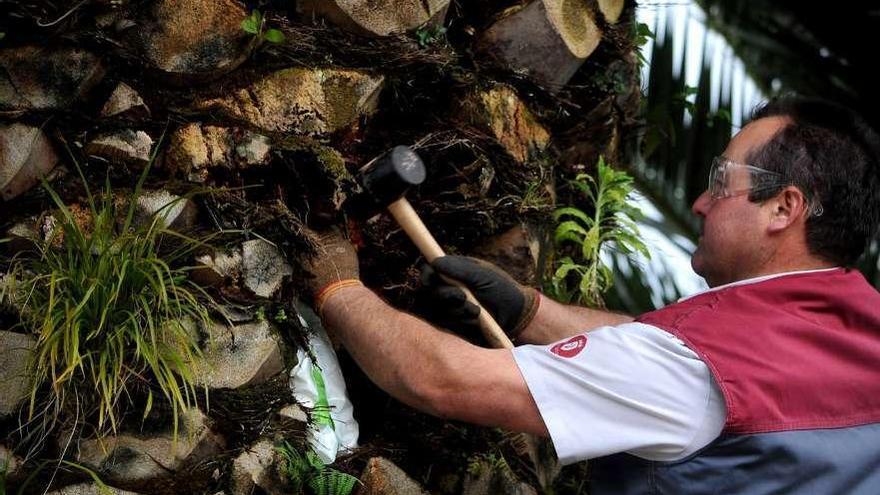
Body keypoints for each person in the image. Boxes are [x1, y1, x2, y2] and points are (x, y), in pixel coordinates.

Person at [304, 96, 880, 493]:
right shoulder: (855, 332)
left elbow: (441, 379)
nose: (701, 203)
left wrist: (336, 284)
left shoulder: (704, 367)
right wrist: (529, 311)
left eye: (720, 183)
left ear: (785, 208)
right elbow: (665, 358)